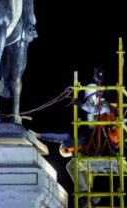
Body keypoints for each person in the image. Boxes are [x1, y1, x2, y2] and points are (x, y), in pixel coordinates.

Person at [36, 67, 112, 206]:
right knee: (78, 167)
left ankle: (86, 194)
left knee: (73, 165)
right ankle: (89, 195)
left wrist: (40, 135)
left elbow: (63, 137)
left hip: (102, 144)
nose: (89, 100)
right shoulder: (76, 145)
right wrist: (82, 105)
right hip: (94, 147)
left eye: (90, 97)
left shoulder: (103, 105)